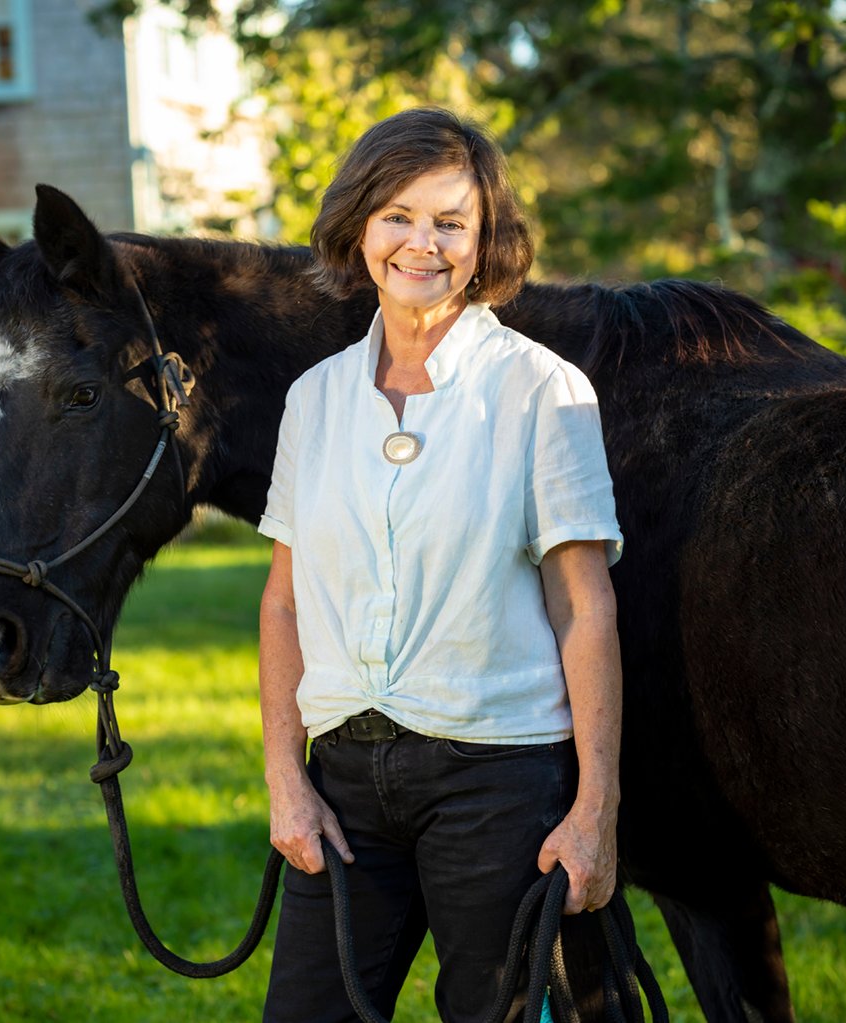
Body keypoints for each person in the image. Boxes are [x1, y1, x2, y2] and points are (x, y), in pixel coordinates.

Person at [257, 107, 624, 1023]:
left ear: (485, 237)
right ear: (360, 226)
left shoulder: (543, 389)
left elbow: (586, 609)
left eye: (451, 222)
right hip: (342, 779)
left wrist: (594, 811)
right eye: (398, 215)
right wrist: (286, 781)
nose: (422, 244)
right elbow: (284, 607)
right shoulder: (315, 399)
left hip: (497, 779)